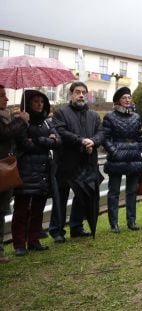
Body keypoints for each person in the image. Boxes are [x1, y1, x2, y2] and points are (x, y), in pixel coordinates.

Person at [49, 81, 105, 242]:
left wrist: (92, 142)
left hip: (87, 163)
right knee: (61, 197)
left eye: (83, 92)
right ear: (71, 94)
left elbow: (101, 133)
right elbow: (61, 132)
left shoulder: (94, 115)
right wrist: (82, 141)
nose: (81, 95)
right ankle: (57, 231)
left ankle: (76, 227)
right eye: (77, 92)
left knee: (83, 196)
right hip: (66, 163)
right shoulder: (61, 113)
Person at [12, 90, 61, 256]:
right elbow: (25, 145)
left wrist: (40, 141)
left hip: (43, 170)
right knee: (21, 209)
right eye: (35, 101)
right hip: (25, 170)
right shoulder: (21, 122)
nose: (40, 104)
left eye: (42, 101)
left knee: (38, 208)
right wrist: (47, 142)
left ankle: (34, 240)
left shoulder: (47, 123)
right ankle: (19, 244)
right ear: (28, 103)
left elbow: (57, 141)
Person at [102, 87, 142, 233]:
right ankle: (114, 223)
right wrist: (114, 152)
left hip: (134, 157)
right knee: (114, 192)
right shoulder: (110, 116)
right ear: (118, 101)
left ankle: (131, 221)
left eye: (129, 97)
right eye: (124, 98)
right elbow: (106, 139)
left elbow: (140, 138)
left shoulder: (136, 117)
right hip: (117, 158)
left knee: (132, 191)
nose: (127, 100)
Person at [0, 85, 29, 263]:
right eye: (2, 96)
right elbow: (4, 134)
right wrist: (21, 121)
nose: (7, 98)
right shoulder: (7, 120)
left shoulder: (6, 116)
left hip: (6, 169)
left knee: (2, 211)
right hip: (2, 169)